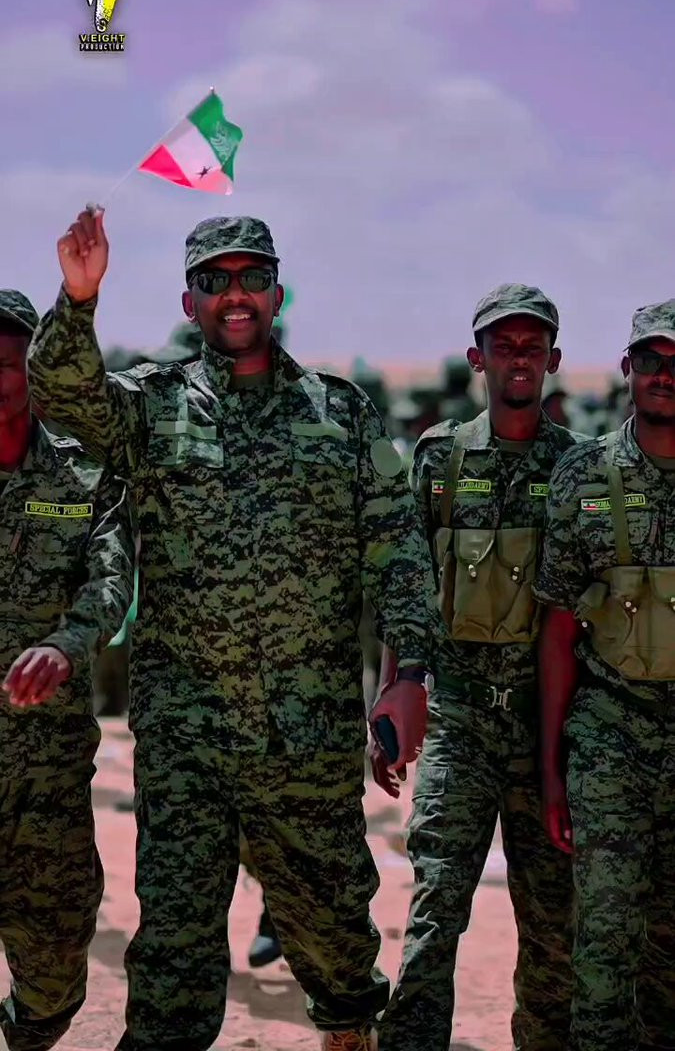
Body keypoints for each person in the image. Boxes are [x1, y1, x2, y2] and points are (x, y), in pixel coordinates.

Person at [27, 209, 435, 1051]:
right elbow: (61, 394)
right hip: (187, 739)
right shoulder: (152, 405)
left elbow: (396, 551)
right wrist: (78, 298)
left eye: (252, 277)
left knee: (332, 936)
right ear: (191, 300)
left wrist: (408, 675)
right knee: (173, 952)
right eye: (215, 281)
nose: (235, 294)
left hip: (306, 736)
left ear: (277, 293)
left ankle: (347, 1031)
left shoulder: (341, 413)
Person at [376, 284, 581, 1051]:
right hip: (458, 721)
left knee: (552, 925)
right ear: (477, 358)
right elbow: (406, 585)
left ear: (553, 360)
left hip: (543, 725)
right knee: (434, 910)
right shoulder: (438, 457)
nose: (518, 359)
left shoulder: (578, 468)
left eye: (532, 346)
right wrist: (393, 697)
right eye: (504, 345)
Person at [535, 299, 675, 1051]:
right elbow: (558, 629)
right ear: (627, 368)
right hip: (611, 735)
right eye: (651, 359)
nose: (664, 374)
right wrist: (553, 770)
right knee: (603, 943)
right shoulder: (583, 475)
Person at [0, 289, 133, 1050]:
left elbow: (111, 580)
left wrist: (67, 643)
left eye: (8, 362)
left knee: (53, 974)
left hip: (46, 764)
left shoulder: (83, 475)